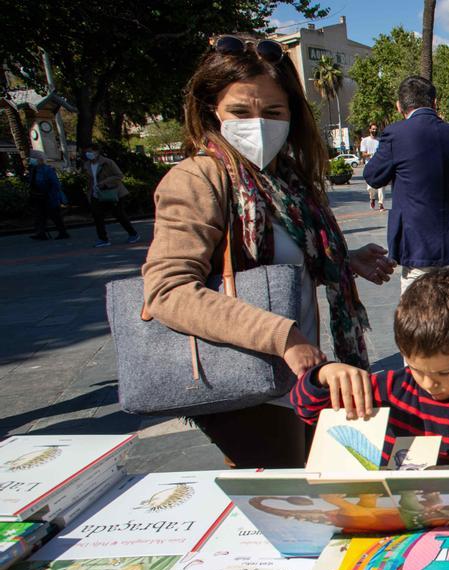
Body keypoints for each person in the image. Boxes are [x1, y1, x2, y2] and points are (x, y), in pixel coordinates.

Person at [141, 34, 394, 469]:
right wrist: (283, 336)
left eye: (273, 112)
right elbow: (167, 291)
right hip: (249, 383)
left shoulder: (287, 181)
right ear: (212, 111)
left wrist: (341, 261)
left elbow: (276, 266)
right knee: (292, 509)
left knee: (335, 492)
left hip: (302, 376)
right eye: (241, 111)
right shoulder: (198, 178)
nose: (258, 123)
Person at [292, 268, 449, 501]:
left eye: (444, 373)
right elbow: (306, 409)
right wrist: (323, 375)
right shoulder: (391, 388)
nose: (428, 383)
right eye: (415, 369)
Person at [365, 76, 449, 295]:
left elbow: (373, 176)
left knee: (419, 323)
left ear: (399, 106)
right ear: (435, 103)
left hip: (417, 250)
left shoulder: (396, 135)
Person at [82, 143, 139, 247]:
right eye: (86, 152)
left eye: (90, 151)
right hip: (96, 194)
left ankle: (133, 233)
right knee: (97, 216)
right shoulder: (87, 165)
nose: (88, 154)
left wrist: (105, 182)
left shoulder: (107, 162)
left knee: (118, 214)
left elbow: (119, 175)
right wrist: (89, 193)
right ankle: (103, 239)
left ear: (97, 152)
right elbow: (89, 180)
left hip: (113, 192)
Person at [26, 151, 69, 240]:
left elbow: (55, 184)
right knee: (40, 216)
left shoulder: (47, 170)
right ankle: (41, 233)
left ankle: (62, 232)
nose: (31, 160)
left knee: (54, 215)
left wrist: (49, 194)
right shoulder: (33, 170)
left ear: (40, 160)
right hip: (38, 196)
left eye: (34, 158)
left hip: (49, 196)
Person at [359, 123, 383, 210]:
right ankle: (372, 198)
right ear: (369, 130)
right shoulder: (365, 141)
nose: (374, 130)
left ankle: (381, 203)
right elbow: (363, 154)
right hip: (369, 165)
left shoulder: (380, 141)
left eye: (376, 129)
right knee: (370, 187)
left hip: (379, 165)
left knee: (381, 185)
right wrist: (372, 154)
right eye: (373, 129)